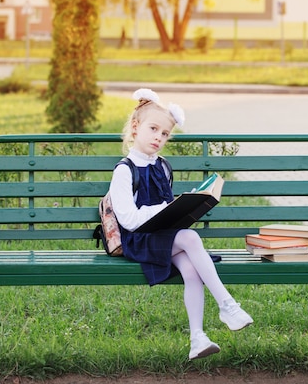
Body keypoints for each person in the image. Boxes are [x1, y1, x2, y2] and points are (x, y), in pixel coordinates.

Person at [108, 88, 253, 360]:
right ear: (136, 128)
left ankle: (197, 337)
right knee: (190, 239)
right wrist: (163, 210)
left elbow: (167, 208)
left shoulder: (163, 166)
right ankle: (226, 304)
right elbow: (127, 220)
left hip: (162, 235)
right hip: (137, 240)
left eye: (164, 134)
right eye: (153, 129)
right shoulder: (124, 171)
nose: (158, 138)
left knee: (190, 268)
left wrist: (188, 205)